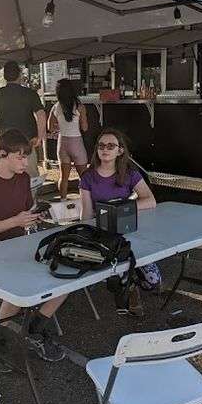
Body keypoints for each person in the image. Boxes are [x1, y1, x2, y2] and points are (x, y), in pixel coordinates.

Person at [0, 129, 66, 362]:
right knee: (17, 291)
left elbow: (26, 211)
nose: (25, 162)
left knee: (66, 277)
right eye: (20, 157)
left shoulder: (23, 179)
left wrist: (35, 216)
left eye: (26, 157)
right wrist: (15, 221)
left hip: (21, 245)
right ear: (3, 154)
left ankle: (34, 329)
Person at [79, 127, 159, 313]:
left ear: (120, 151)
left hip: (129, 229)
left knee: (154, 281)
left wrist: (121, 209)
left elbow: (150, 200)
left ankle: (132, 279)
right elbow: (87, 213)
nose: (104, 149)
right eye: (101, 146)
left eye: (110, 146)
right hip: (104, 234)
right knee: (119, 272)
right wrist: (85, 238)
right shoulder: (88, 177)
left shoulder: (130, 173)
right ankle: (130, 288)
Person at [0, 60, 46, 179]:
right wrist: (39, 137)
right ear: (19, 75)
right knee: (29, 180)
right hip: (26, 145)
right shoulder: (30, 94)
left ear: (5, 76)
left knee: (2, 181)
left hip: (4, 145)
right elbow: (41, 115)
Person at [47, 77, 89, 199]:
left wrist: (60, 127)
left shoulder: (56, 107)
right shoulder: (79, 106)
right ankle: (85, 202)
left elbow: (50, 127)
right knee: (84, 178)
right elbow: (85, 127)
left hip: (62, 143)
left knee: (63, 177)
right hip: (76, 142)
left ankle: (63, 201)